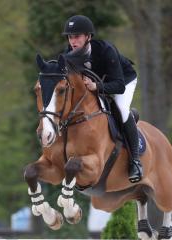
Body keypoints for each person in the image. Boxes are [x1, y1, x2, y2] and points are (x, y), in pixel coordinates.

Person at [62, 14, 142, 183]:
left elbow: (119, 86)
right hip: (97, 85)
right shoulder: (69, 54)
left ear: (88, 37)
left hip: (123, 81)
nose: (72, 41)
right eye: (70, 37)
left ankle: (135, 161)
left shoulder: (106, 50)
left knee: (121, 109)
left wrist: (97, 87)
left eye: (77, 36)